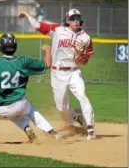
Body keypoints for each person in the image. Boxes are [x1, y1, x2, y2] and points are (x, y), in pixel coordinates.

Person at [0, 33, 65, 143]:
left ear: (0, 47)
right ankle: (52, 133)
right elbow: (47, 64)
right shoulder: (23, 62)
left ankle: (26, 127)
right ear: (15, 47)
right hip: (20, 103)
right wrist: (48, 50)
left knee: (10, 113)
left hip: (0, 109)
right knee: (30, 111)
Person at [19, 9, 96, 140]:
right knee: (62, 107)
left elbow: (84, 61)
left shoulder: (86, 38)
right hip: (57, 73)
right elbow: (39, 26)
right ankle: (76, 115)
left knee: (82, 95)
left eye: (78, 18)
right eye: (73, 18)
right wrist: (27, 15)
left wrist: (80, 58)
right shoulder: (58, 31)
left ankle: (90, 129)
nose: (76, 21)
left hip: (74, 72)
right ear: (67, 20)